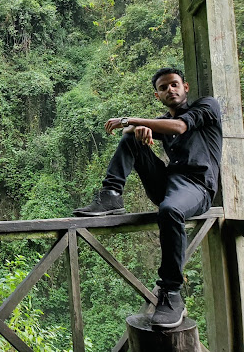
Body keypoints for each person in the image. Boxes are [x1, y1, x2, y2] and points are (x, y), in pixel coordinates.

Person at [73, 67, 222, 328]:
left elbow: (179, 126)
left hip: (197, 187)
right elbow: (133, 133)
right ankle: (111, 196)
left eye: (174, 84)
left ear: (185, 87)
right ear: (157, 95)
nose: (170, 90)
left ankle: (172, 293)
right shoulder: (161, 121)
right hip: (168, 183)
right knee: (131, 139)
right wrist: (137, 130)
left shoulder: (206, 107)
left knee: (170, 210)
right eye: (163, 88)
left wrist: (129, 121)